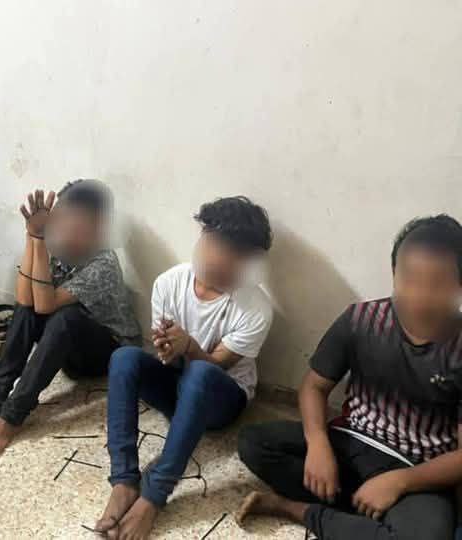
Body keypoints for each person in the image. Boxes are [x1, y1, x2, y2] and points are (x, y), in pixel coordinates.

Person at [236, 215, 462, 540]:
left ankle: (298, 510)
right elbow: (314, 386)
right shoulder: (361, 320)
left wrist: (398, 482)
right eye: (409, 278)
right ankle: (367, 515)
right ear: (394, 274)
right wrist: (318, 444)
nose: (420, 295)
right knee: (255, 443)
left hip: (417, 467)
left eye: (437, 284)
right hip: (353, 441)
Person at [96, 196, 274, 539]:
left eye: (234, 254)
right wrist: (168, 351)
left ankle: (154, 495)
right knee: (125, 358)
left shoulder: (255, 308)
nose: (218, 259)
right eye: (214, 244)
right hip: (179, 388)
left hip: (221, 400)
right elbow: (168, 358)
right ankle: (124, 481)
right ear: (202, 237)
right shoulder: (169, 283)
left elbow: (216, 368)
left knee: (201, 373)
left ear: (248, 261)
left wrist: (189, 347)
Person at [0, 179, 141, 461]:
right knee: (26, 307)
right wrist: (33, 235)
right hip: (66, 347)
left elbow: (46, 305)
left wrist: (39, 241)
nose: (68, 236)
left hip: (106, 353)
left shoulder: (103, 263)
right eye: (62, 225)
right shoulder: (56, 251)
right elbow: (25, 300)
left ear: (99, 229)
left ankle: (11, 417)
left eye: (80, 230)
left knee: (64, 316)